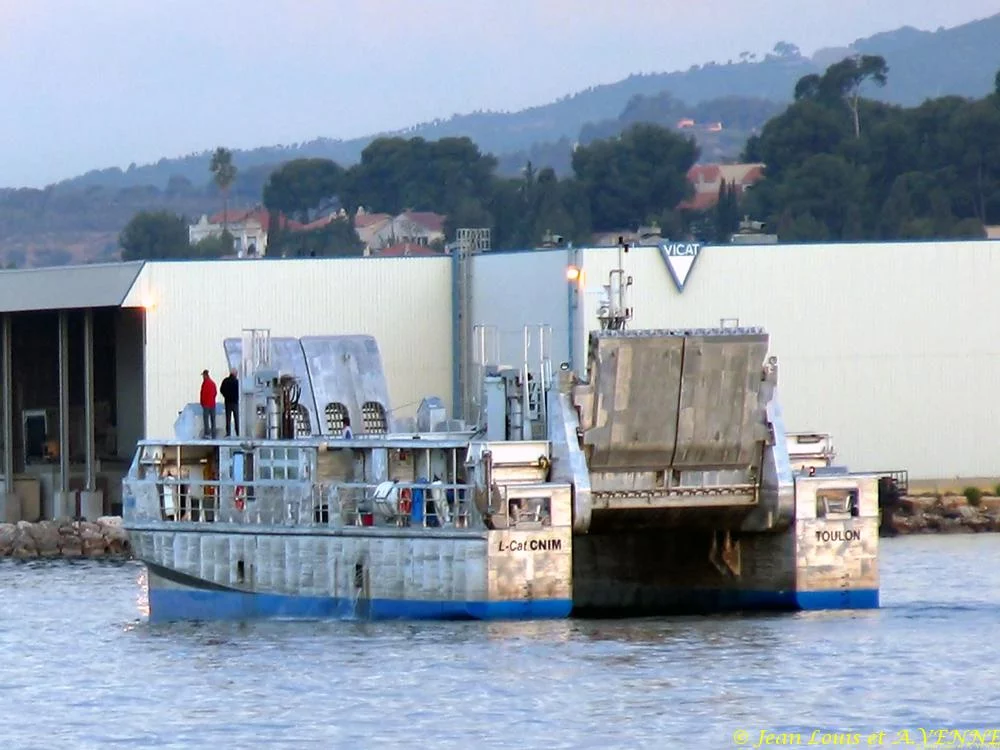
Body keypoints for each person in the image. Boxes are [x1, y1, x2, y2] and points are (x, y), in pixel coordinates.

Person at [220, 368, 239, 437]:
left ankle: (228, 433)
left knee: (228, 418)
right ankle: (238, 432)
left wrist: (226, 396)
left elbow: (221, 390)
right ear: (235, 374)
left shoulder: (225, 381)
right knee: (236, 418)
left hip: (227, 402)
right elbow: (239, 392)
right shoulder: (237, 382)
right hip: (235, 402)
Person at [199, 369, 217, 439]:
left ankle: (207, 433)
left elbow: (203, 394)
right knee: (213, 419)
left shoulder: (205, 383)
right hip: (212, 404)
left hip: (206, 404)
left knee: (206, 419)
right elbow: (215, 393)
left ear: (205, 375)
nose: (203, 377)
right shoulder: (212, 383)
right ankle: (214, 434)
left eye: (203, 375)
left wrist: (202, 402)